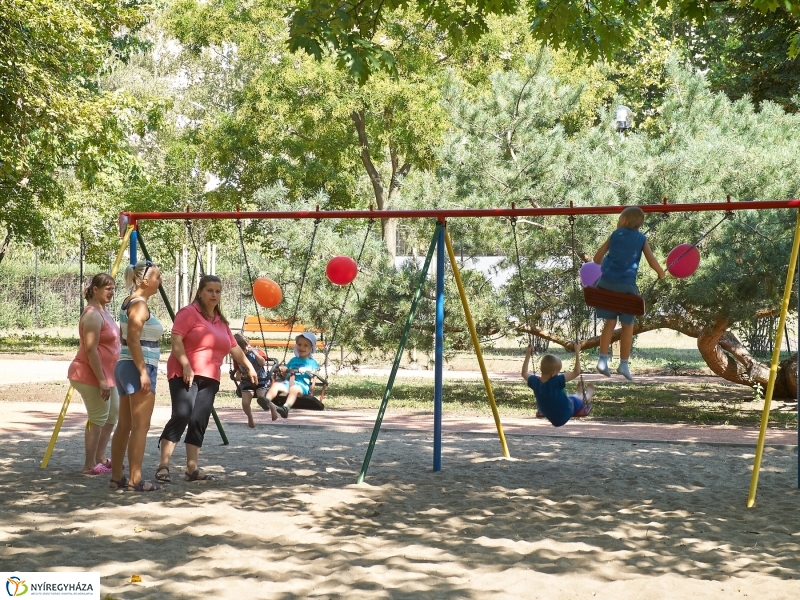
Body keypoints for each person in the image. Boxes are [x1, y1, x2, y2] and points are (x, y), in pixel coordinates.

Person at [157, 275, 258, 483]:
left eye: (218, 291)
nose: (214, 295)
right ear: (200, 292)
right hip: (186, 372)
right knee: (182, 415)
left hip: (210, 376)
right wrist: (185, 364)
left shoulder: (221, 321)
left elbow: (233, 347)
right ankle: (163, 466)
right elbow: (176, 339)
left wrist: (248, 366)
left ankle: (191, 469)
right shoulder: (189, 313)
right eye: (210, 290)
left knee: (199, 420)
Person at [592, 206, 666, 381]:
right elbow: (651, 260)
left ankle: (602, 360)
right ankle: (624, 364)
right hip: (626, 286)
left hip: (605, 284)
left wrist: (608, 265)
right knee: (627, 325)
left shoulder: (615, 235)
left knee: (610, 322)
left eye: (619, 220)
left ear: (624, 221)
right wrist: (661, 273)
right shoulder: (641, 239)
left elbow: (596, 259)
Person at [110, 260, 164, 492]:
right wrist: (143, 372)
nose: (160, 281)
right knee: (140, 426)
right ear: (145, 280)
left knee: (125, 425)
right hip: (137, 366)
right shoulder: (140, 305)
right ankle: (135, 479)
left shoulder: (129, 302)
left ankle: (117, 477)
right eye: (158, 277)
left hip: (125, 365)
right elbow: (132, 339)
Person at [68, 273, 121, 476]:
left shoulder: (104, 311)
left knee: (112, 414)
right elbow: (91, 350)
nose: (111, 292)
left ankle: (101, 457)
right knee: (97, 417)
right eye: (108, 289)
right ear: (95, 290)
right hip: (89, 374)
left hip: (109, 375)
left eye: (113, 289)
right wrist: (101, 380)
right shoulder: (92, 315)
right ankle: (88, 465)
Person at [521, 342, 594, 427]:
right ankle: (588, 394)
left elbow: (524, 373)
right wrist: (577, 352)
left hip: (550, 415)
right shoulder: (556, 381)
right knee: (576, 399)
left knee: (566, 396)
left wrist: (528, 353)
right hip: (565, 414)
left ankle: (579, 393)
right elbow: (576, 372)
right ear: (554, 373)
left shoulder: (535, 382)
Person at [263, 332, 320, 418]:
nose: (302, 347)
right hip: (288, 384)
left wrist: (307, 370)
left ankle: (286, 408)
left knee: (294, 388)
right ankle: (266, 401)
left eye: (305, 345)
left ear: (311, 348)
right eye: (299, 344)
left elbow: (315, 373)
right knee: (275, 385)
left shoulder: (312, 362)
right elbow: (286, 370)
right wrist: (283, 369)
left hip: (301, 386)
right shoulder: (293, 360)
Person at [232, 333, 279, 425]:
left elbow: (262, 363)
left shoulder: (257, 351)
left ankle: (272, 408)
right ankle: (249, 417)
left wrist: (254, 352)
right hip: (247, 382)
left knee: (261, 396)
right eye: (239, 350)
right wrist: (238, 374)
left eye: (244, 349)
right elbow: (237, 369)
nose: (242, 352)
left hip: (261, 380)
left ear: (247, 345)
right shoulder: (236, 356)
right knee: (245, 403)